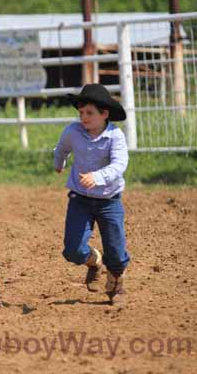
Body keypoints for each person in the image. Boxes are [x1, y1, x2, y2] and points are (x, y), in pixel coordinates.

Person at [53, 83, 130, 306]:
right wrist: (59, 162)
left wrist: (98, 177)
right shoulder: (72, 132)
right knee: (73, 251)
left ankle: (116, 287)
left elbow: (120, 164)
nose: (84, 118)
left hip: (109, 200)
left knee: (115, 249)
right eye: (81, 113)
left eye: (89, 113)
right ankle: (94, 261)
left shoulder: (115, 136)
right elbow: (61, 148)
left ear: (104, 114)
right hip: (80, 199)